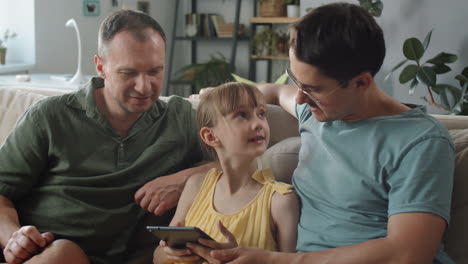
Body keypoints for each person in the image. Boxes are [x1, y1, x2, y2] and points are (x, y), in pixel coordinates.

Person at [205, 3, 455, 264]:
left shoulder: (420, 142)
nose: (301, 98)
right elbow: (276, 92)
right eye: (295, 80)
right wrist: (219, 100)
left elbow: (409, 253)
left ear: (361, 82)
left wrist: (275, 260)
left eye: (313, 88)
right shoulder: (315, 113)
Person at [0, 10, 212, 264]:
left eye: (154, 71)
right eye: (129, 73)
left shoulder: (180, 119)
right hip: (51, 252)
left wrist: (185, 179)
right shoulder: (49, 117)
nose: (144, 87)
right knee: (61, 254)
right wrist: (13, 237)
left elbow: (244, 161)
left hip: (139, 257)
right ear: (101, 66)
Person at [153, 82, 299, 264]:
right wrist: (167, 254)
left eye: (261, 114)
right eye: (242, 115)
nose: (258, 124)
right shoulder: (195, 185)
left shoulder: (281, 201)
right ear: (210, 136)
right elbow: (159, 255)